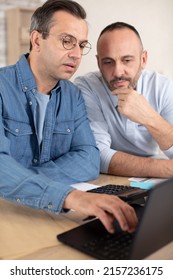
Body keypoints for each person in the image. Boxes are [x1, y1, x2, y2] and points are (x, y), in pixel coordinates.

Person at [0, 2, 137, 234]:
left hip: (41, 213)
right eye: (67, 41)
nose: (75, 54)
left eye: (81, 45)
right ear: (36, 40)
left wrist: (22, 179)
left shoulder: (73, 95)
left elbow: (89, 158)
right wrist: (70, 196)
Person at [74, 21, 173, 178]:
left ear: (143, 59)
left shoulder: (163, 86)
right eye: (108, 62)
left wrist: (149, 117)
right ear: (98, 62)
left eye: (127, 60)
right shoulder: (86, 87)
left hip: (152, 179)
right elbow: (97, 155)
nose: (118, 72)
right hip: (109, 179)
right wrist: (165, 169)